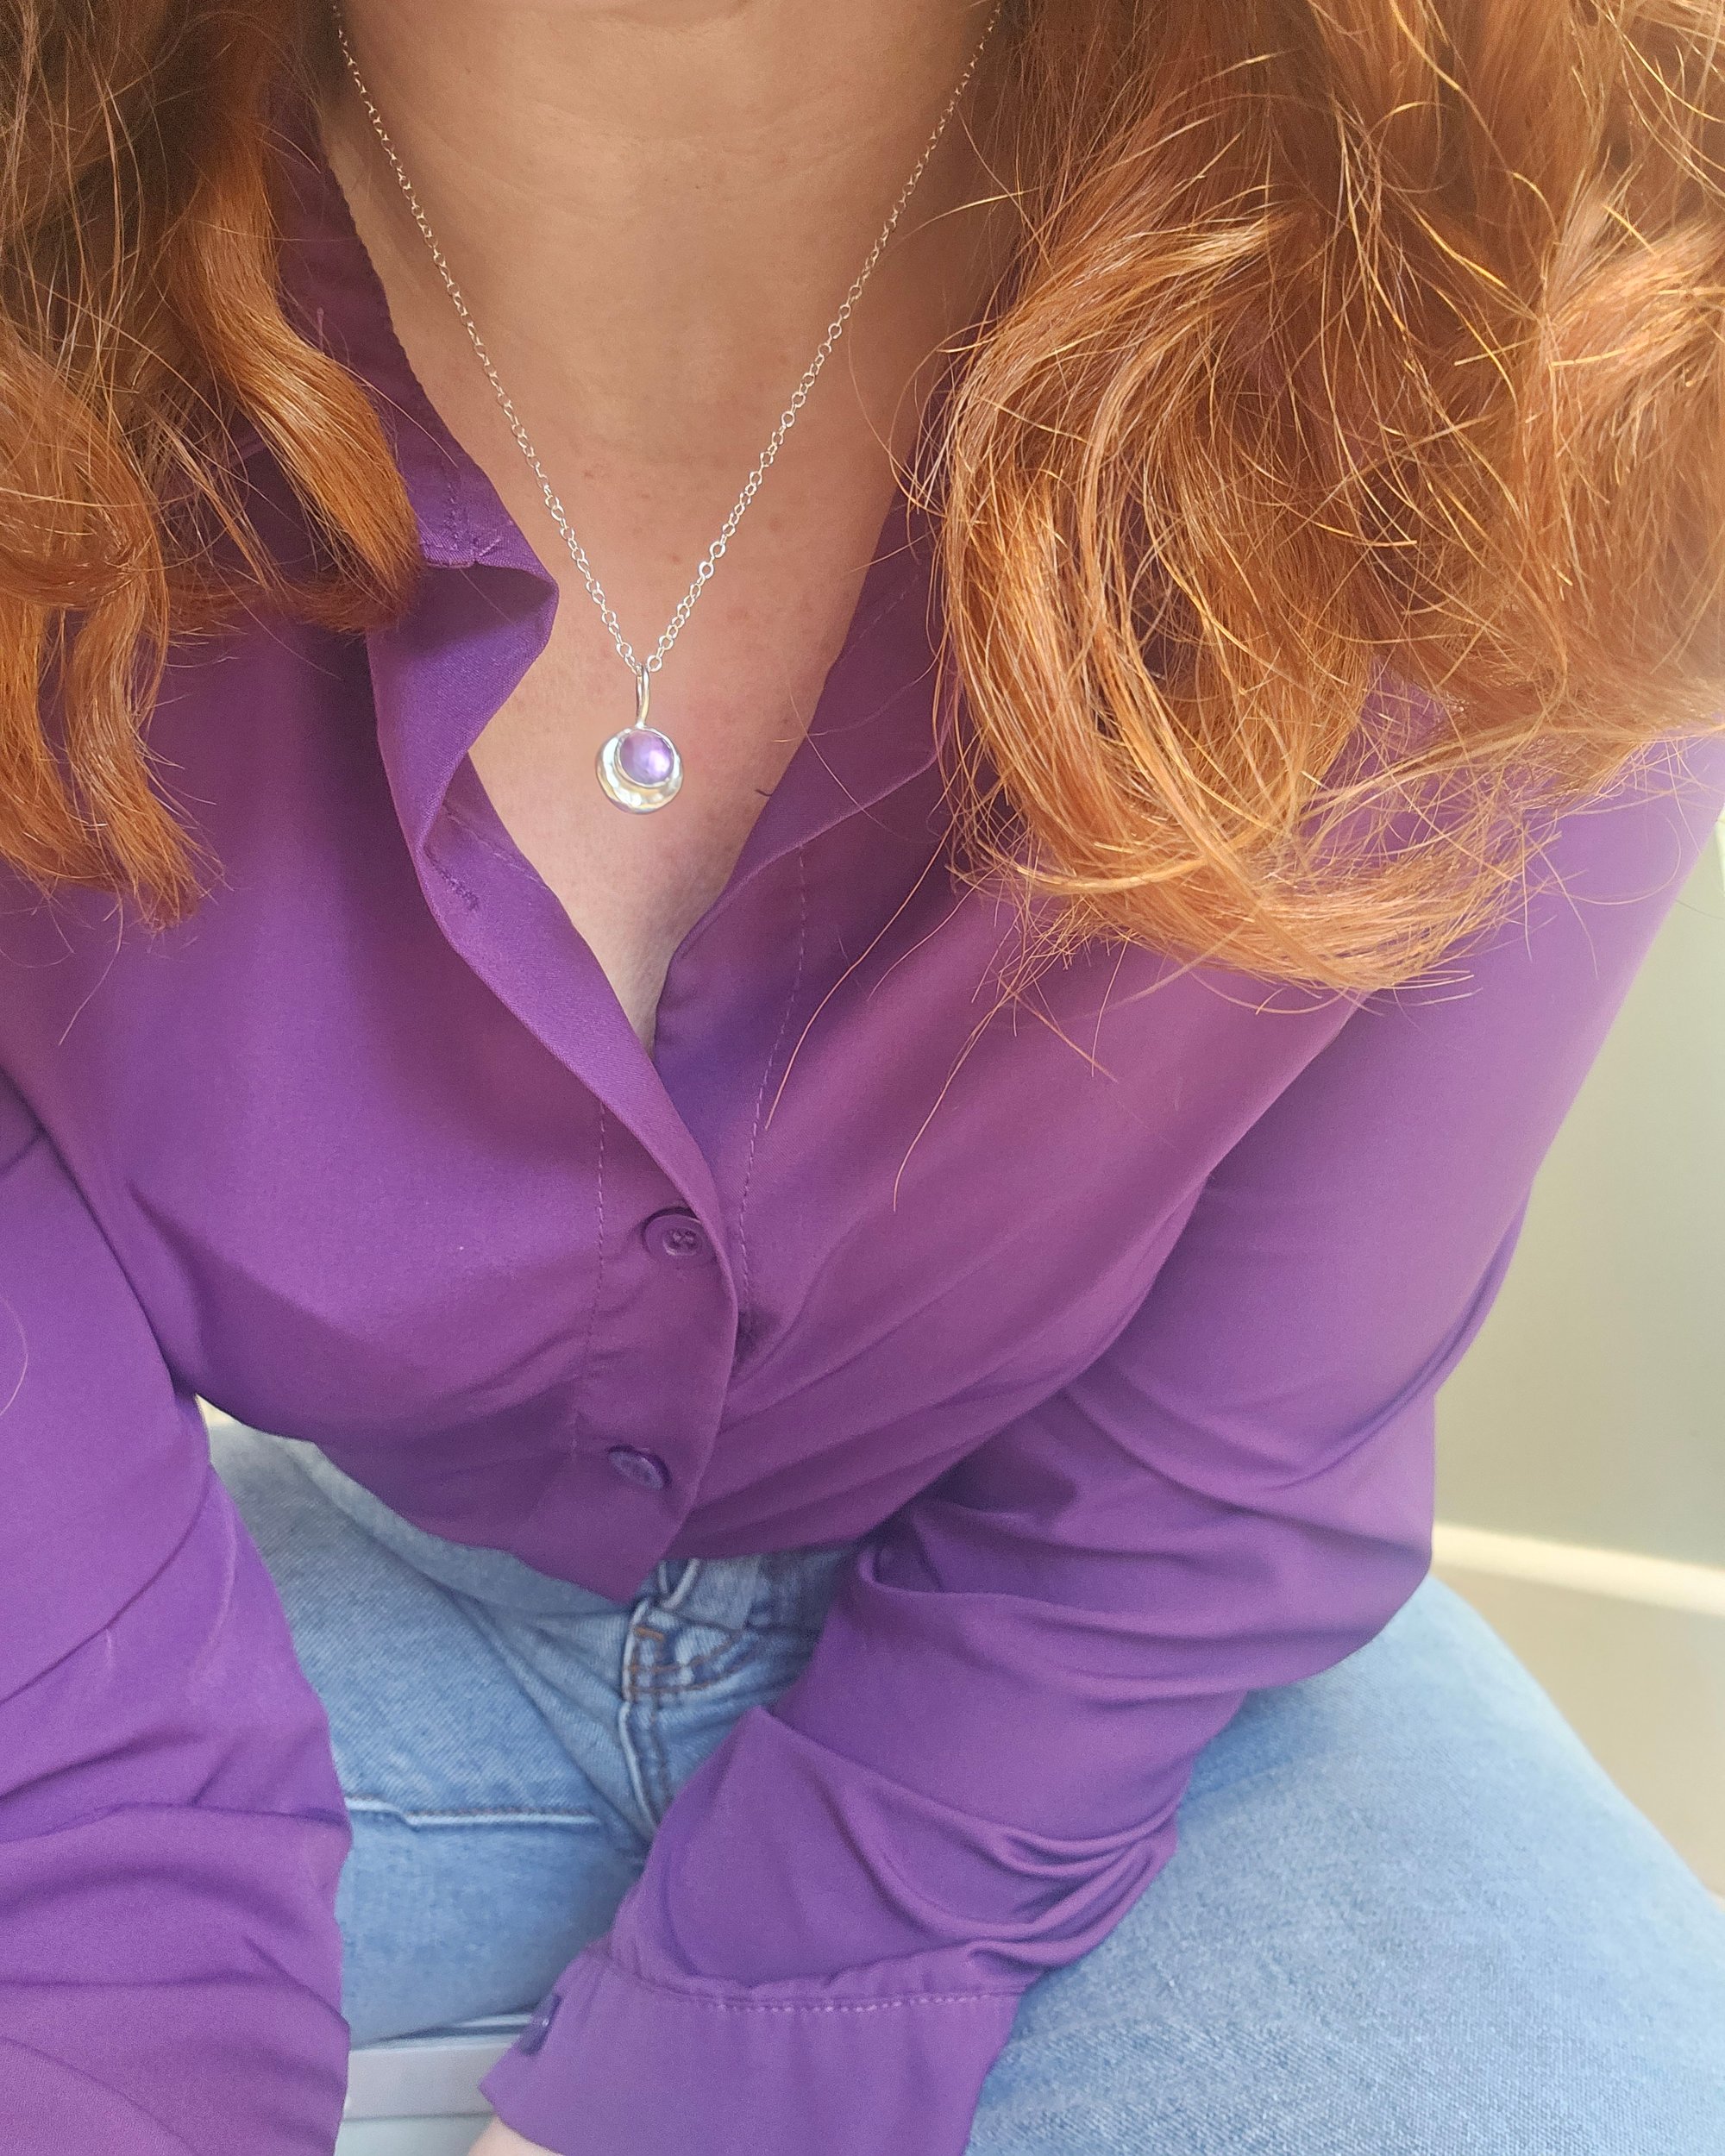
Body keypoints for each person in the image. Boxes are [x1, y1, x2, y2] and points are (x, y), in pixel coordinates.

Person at [3, 2, 1723, 2152]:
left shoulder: (1562, 281)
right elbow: (79, 1825)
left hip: (1113, 1691)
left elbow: (1202, 1470)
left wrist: (681, 2087)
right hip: (233, 1624)